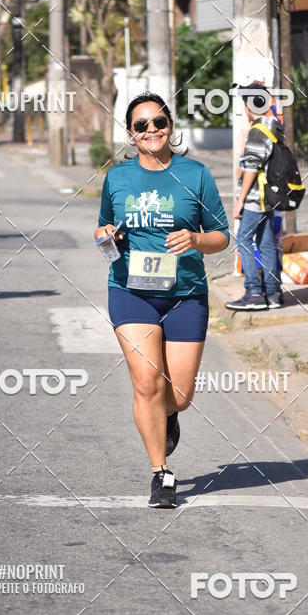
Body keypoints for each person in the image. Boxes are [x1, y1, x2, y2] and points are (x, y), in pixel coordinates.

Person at [95, 93, 230, 508]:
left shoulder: (196, 174)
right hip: (130, 291)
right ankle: (161, 473)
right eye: (141, 125)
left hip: (186, 294)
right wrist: (106, 237)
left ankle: (166, 415)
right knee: (146, 383)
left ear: (170, 126)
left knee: (181, 395)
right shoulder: (117, 179)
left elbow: (222, 235)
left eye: (159, 122)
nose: (151, 130)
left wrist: (195, 239)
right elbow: (103, 226)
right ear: (131, 135)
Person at [227, 86, 283, 311]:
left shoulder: (258, 131)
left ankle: (253, 293)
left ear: (250, 105)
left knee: (243, 239)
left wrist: (240, 201)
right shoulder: (273, 126)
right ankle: (272, 293)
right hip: (268, 196)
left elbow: (251, 167)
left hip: (255, 197)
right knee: (266, 242)